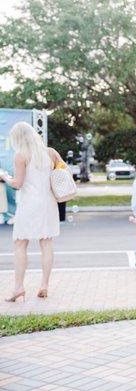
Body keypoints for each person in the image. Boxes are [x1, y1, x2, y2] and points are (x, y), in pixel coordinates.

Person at [1, 122, 65, 301]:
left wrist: (5, 177)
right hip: (49, 202)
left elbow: (18, 184)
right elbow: (63, 172)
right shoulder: (50, 152)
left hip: (29, 203)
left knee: (20, 243)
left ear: (18, 138)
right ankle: (44, 285)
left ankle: (18, 287)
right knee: (46, 243)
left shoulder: (21, 155)